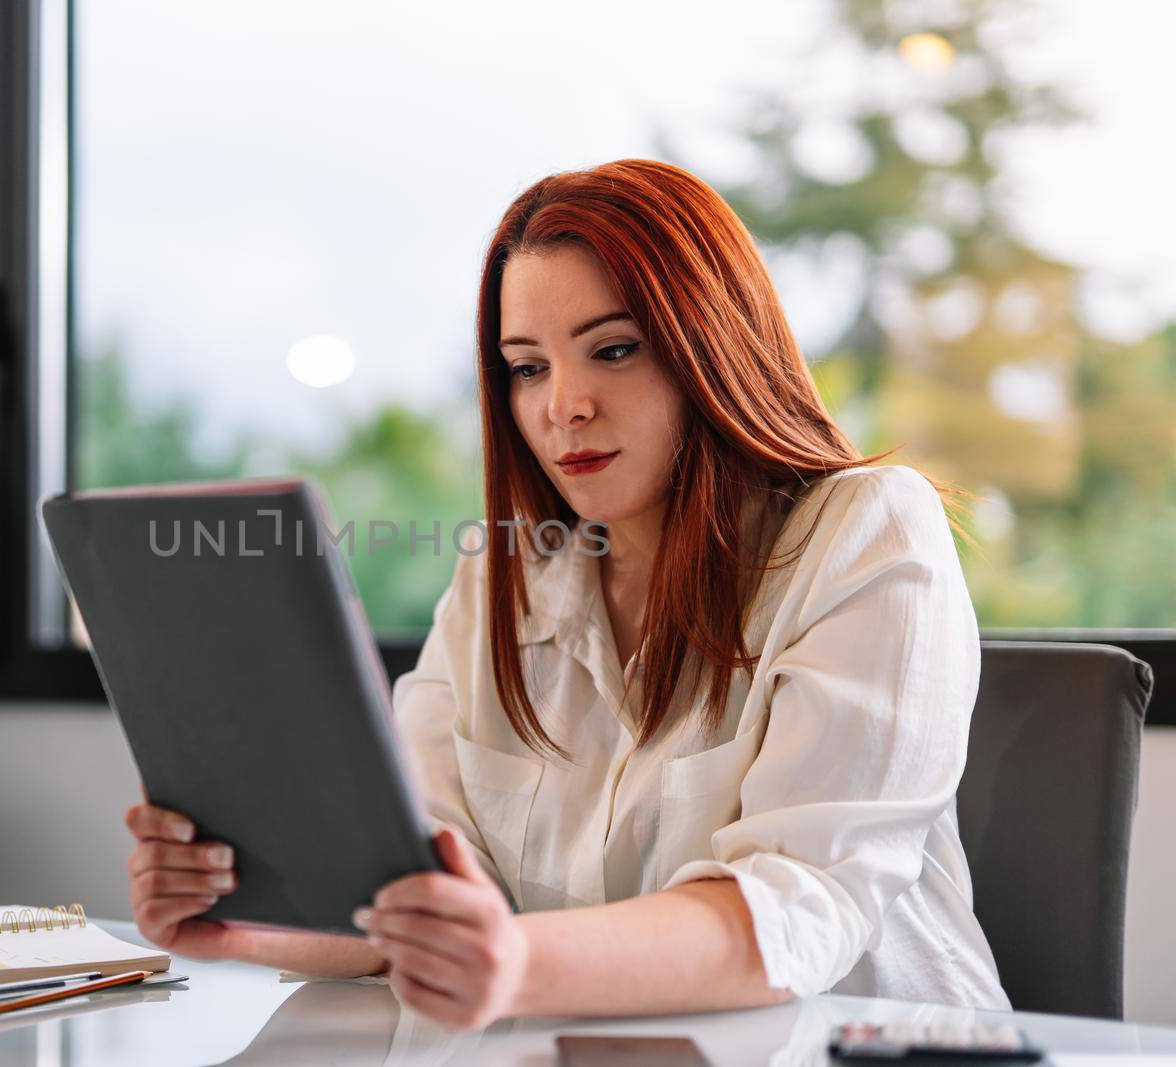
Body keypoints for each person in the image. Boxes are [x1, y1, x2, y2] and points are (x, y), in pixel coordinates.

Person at [122, 158, 1011, 1030]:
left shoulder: (865, 532)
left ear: (712, 344)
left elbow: (799, 900)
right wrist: (241, 917)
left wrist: (515, 961)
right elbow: (417, 878)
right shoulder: (503, 573)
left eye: (613, 350)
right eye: (527, 367)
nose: (564, 406)